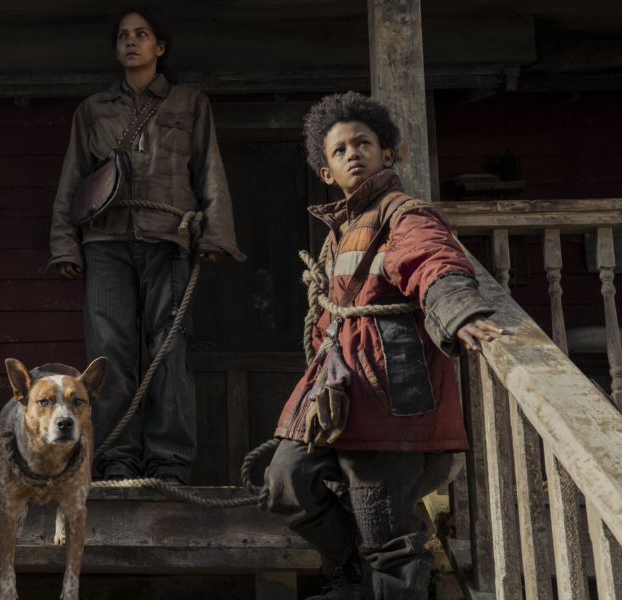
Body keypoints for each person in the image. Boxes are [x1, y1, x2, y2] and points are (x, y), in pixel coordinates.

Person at [263, 92, 503, 600]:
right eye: (340, 150)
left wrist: (457, 307)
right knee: (285, 481)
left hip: (391, 393)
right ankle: (351, 573)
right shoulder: (338, 231)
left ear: (386, 154)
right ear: (326, 172)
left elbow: (431, 259)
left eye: (364, 143)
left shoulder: (404, 213)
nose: (353, 153)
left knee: (386, 527)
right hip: (340, 390)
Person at [46, 5, 245, 485]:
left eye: (141, 34)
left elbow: (209, 171)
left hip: (169, 240)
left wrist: (215, 234)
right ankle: (116, 459)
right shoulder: (92, 111)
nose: (130, 42)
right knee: (108, 354)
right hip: (104, 241)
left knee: (168, 351)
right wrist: (65, 246)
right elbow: (73, 180)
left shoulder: (190, 104)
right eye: (122, 36)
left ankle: (169, 463)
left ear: (160, 46)